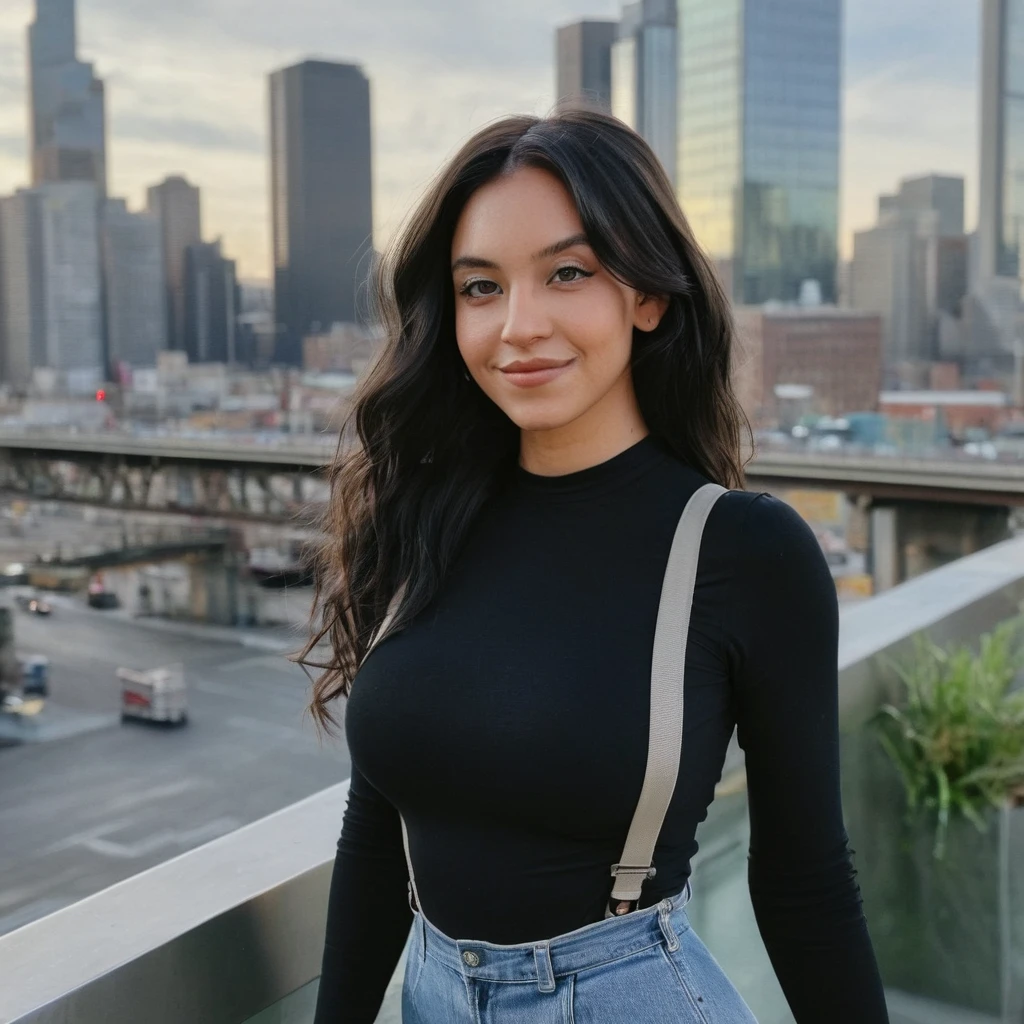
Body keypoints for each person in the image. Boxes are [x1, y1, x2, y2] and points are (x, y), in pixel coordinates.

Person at [302, 110, 888, 1023]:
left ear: (647, 295)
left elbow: (805, 876)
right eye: (481, 287)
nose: (518, 326)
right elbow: (379, 830)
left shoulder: (740, 550)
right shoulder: (421, 520)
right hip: (430, 995)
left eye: (567, 274)